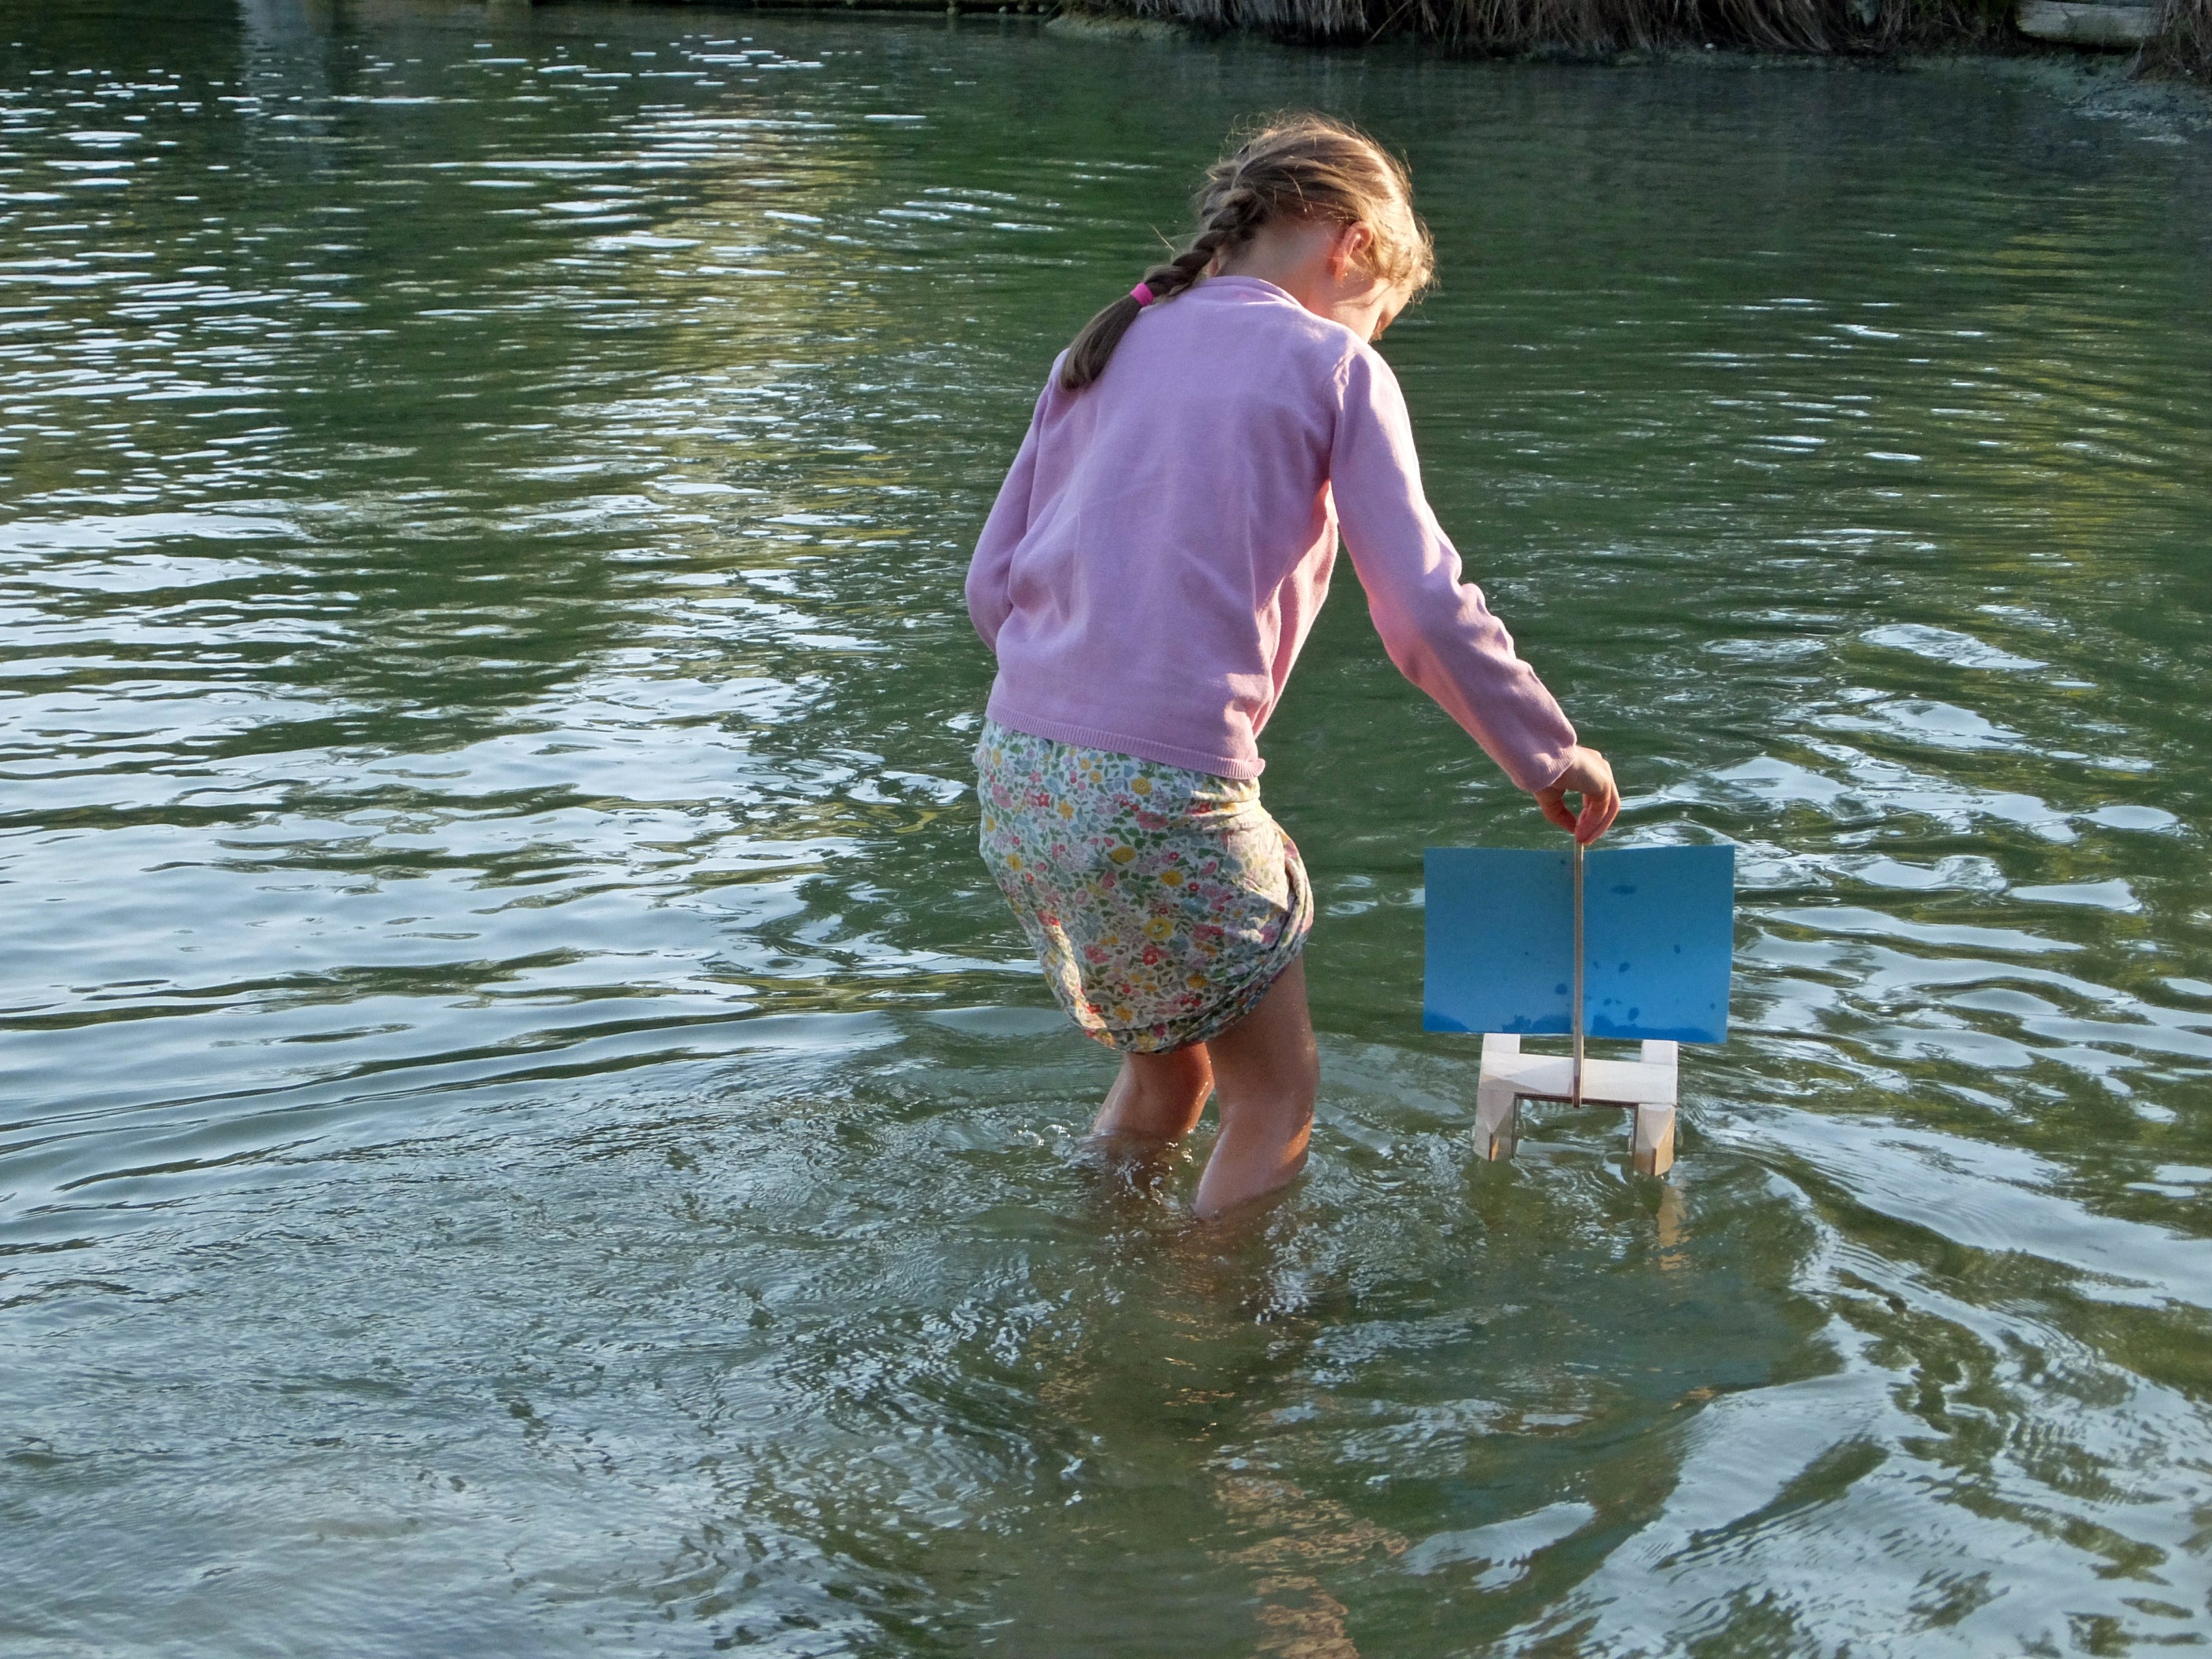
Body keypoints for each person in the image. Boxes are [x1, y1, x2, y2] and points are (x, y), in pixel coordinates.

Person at [965, 114, 1618, 1220]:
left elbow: (993, 586)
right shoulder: (1333, 367)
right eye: (1383, 316)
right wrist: (1549, 756)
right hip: (1162, 794)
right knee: (1277, 1099)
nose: (1376, 337)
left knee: (1170, 1072)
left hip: (1020, 774)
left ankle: (1104, 1267)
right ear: (1350, 244)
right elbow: (1421, 614)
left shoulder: (1106, 345)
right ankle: (1216, 1361)